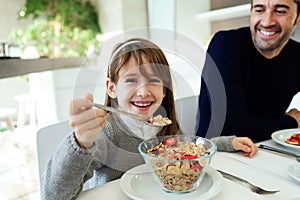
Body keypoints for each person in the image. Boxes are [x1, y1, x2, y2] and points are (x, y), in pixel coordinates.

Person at [42, 38, 258, 199]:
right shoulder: (106, 133)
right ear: (112, 88)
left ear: (165, 90)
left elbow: (187, 151)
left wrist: (227, 143)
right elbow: (53, 196)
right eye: (132, 80)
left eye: (154, 80)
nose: (144, 91)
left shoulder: (163, 124)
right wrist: (80, 141)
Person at [197, 0, 300, 143]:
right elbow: (229, 128)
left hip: (267, 147)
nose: (267, 21)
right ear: (251, 11)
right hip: (219, 155)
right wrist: (289, 122)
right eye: (259, 10)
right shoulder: (225, 44)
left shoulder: (296, 55)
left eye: (280, 11)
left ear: (298, 17)